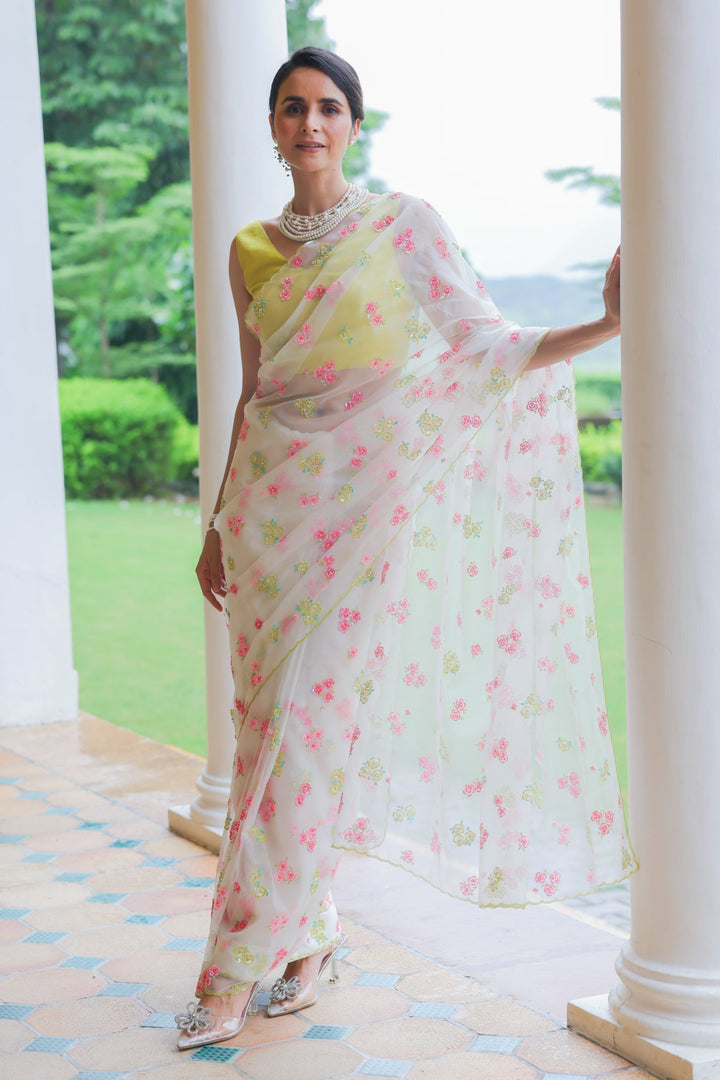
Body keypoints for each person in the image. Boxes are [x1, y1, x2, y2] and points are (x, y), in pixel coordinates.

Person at [176, 46, 633, 1051]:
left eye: (328, 108)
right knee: (277, 744)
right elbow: (253, 398)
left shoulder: (401, 227)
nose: (309, 124)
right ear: (272, 125)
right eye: (292, 108)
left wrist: (605, 326)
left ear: (354, 125)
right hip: (265, 522)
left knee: (298, 736)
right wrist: (216, 529)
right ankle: (310, 940)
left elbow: (486, 344)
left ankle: (230, 968)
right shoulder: (249, 247)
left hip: (355, 529)